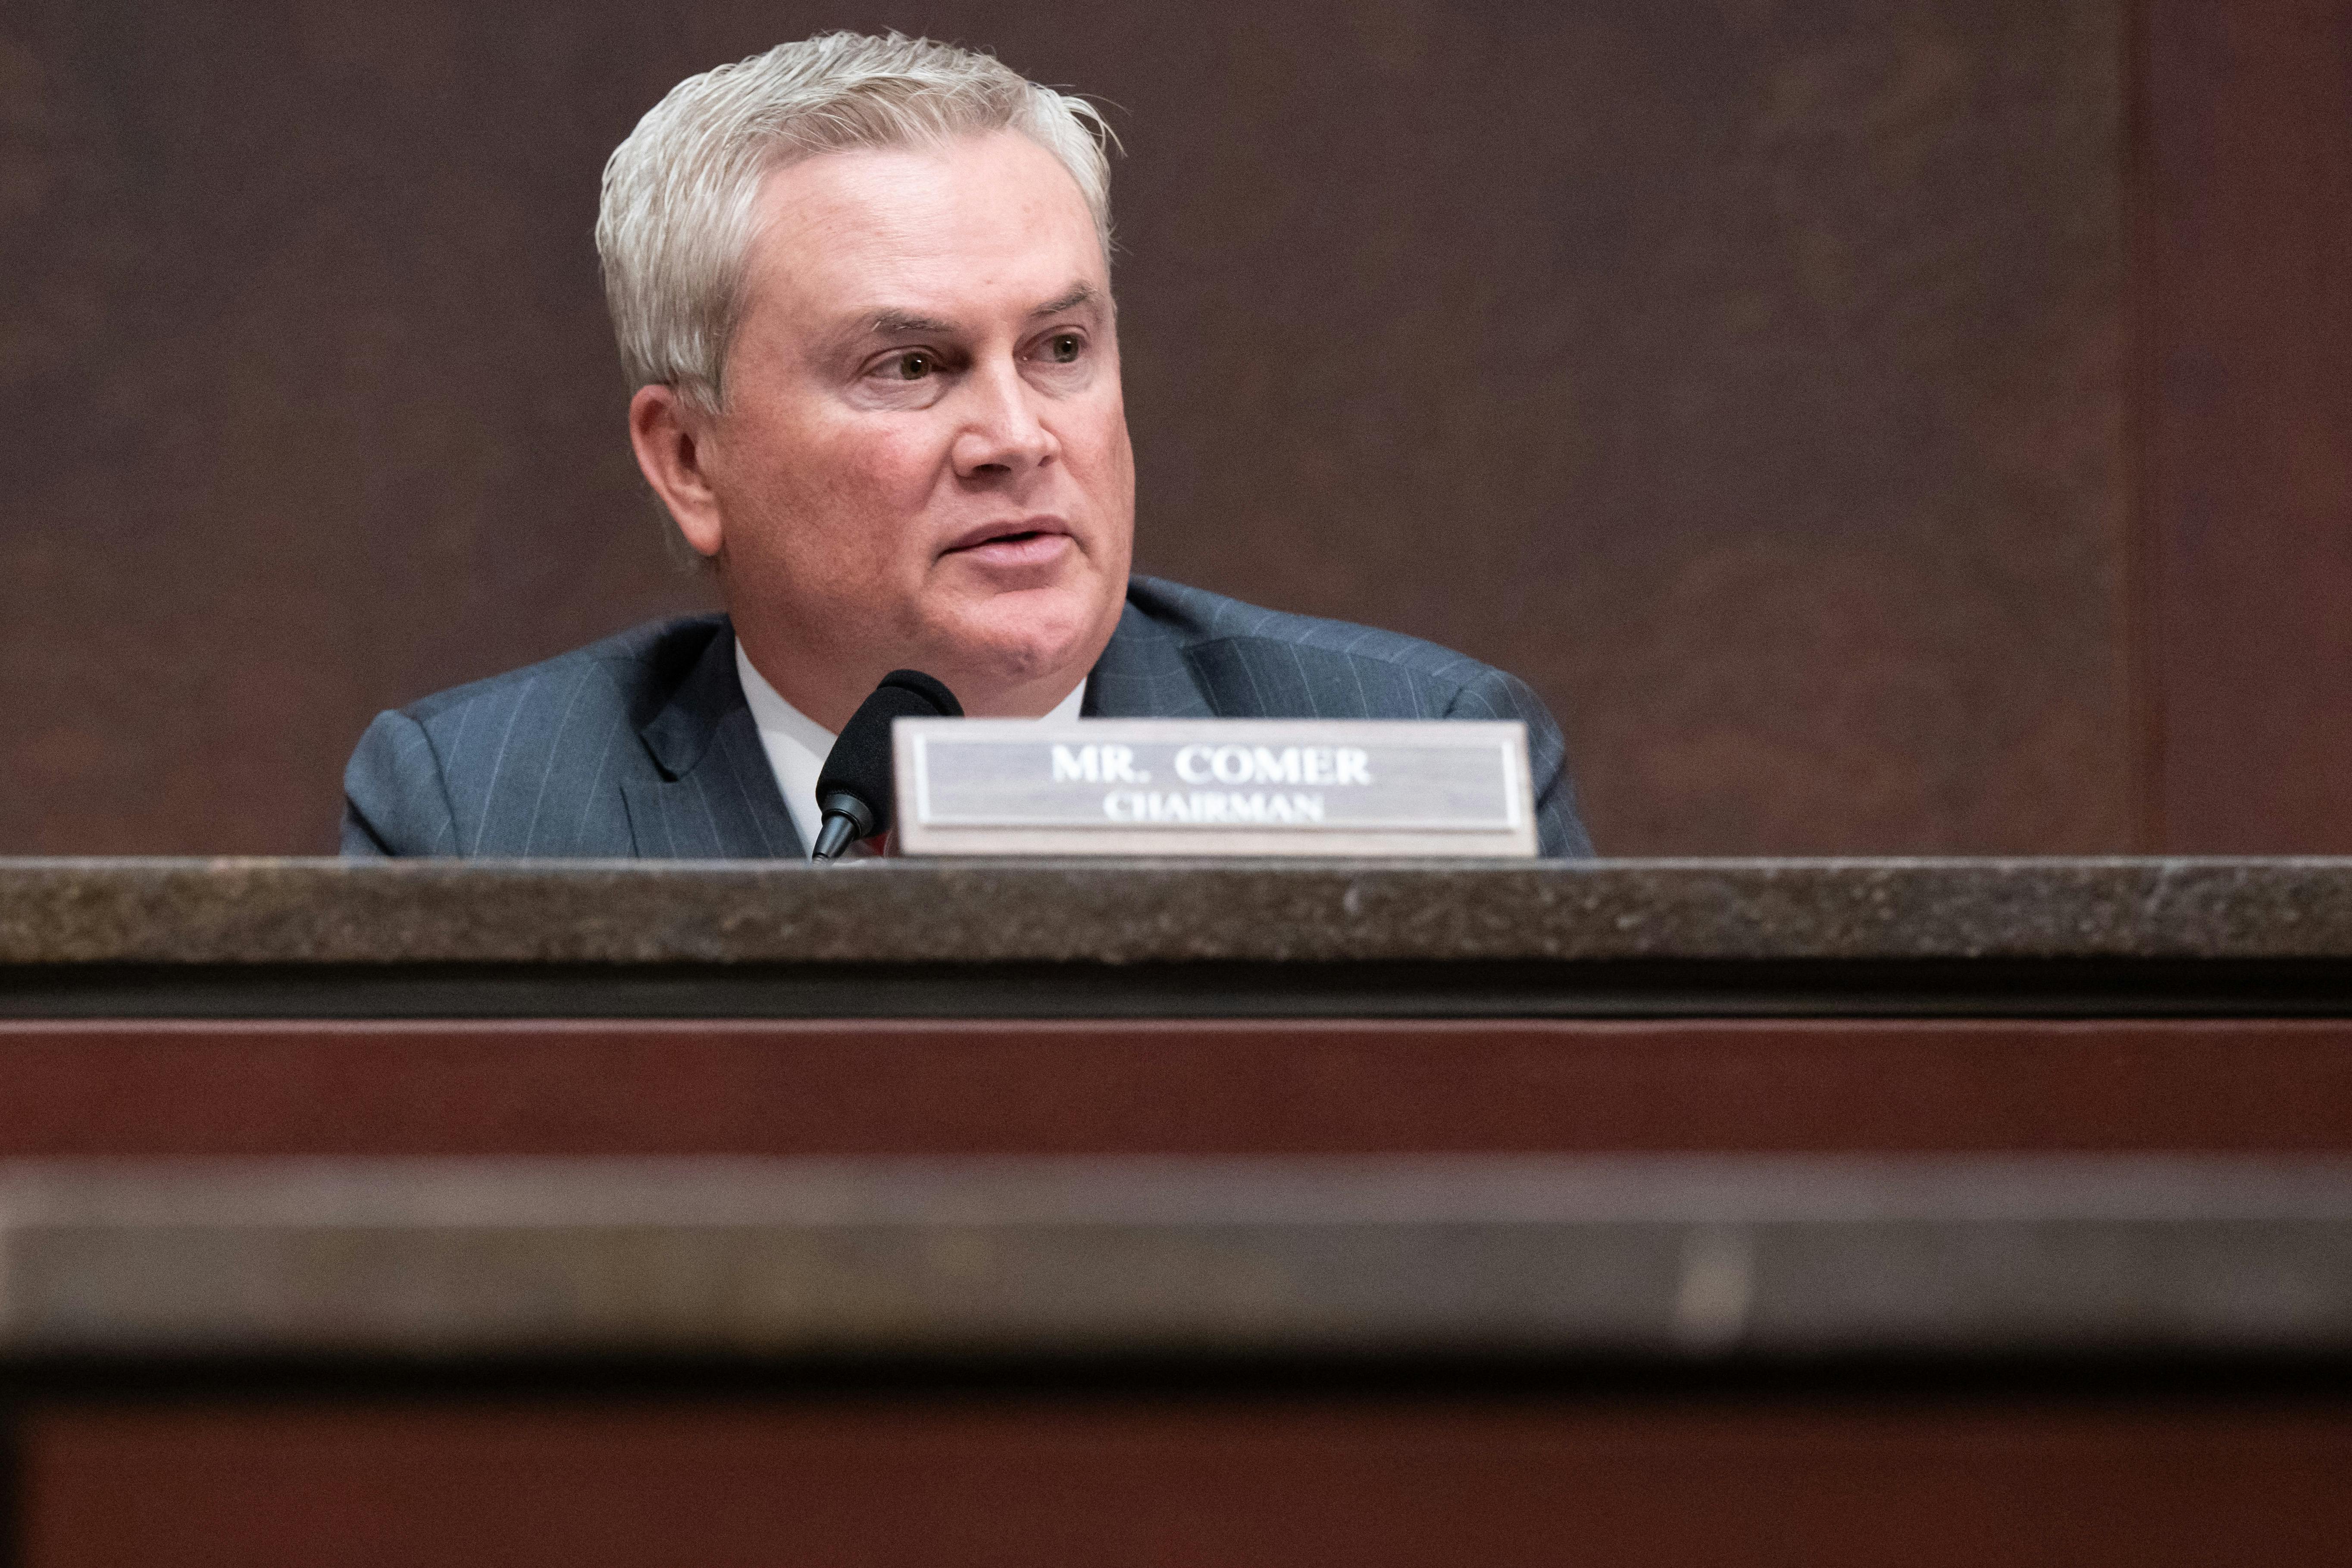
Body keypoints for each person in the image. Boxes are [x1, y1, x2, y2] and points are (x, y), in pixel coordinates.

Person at [341, 32, 1592, 859]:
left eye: (1059, 350)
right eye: (912, 367)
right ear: (687, 460)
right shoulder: (479, 813)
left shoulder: (1423, 757)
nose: (1016, 438)